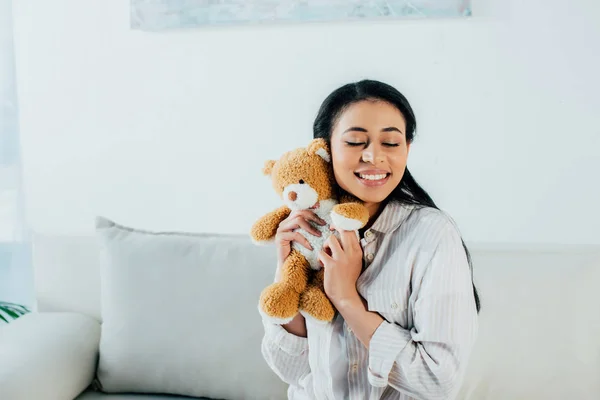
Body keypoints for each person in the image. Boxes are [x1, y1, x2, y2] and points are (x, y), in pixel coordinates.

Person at [260, 79, 480, 400]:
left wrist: (347, 300)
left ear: (407, 149)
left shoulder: (432, 234)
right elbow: (291, 371)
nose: (374, 157)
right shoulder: (308, 229)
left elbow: (439, 381)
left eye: (391, 143)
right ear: (325, 149)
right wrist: (287, 275)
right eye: (354, 142)